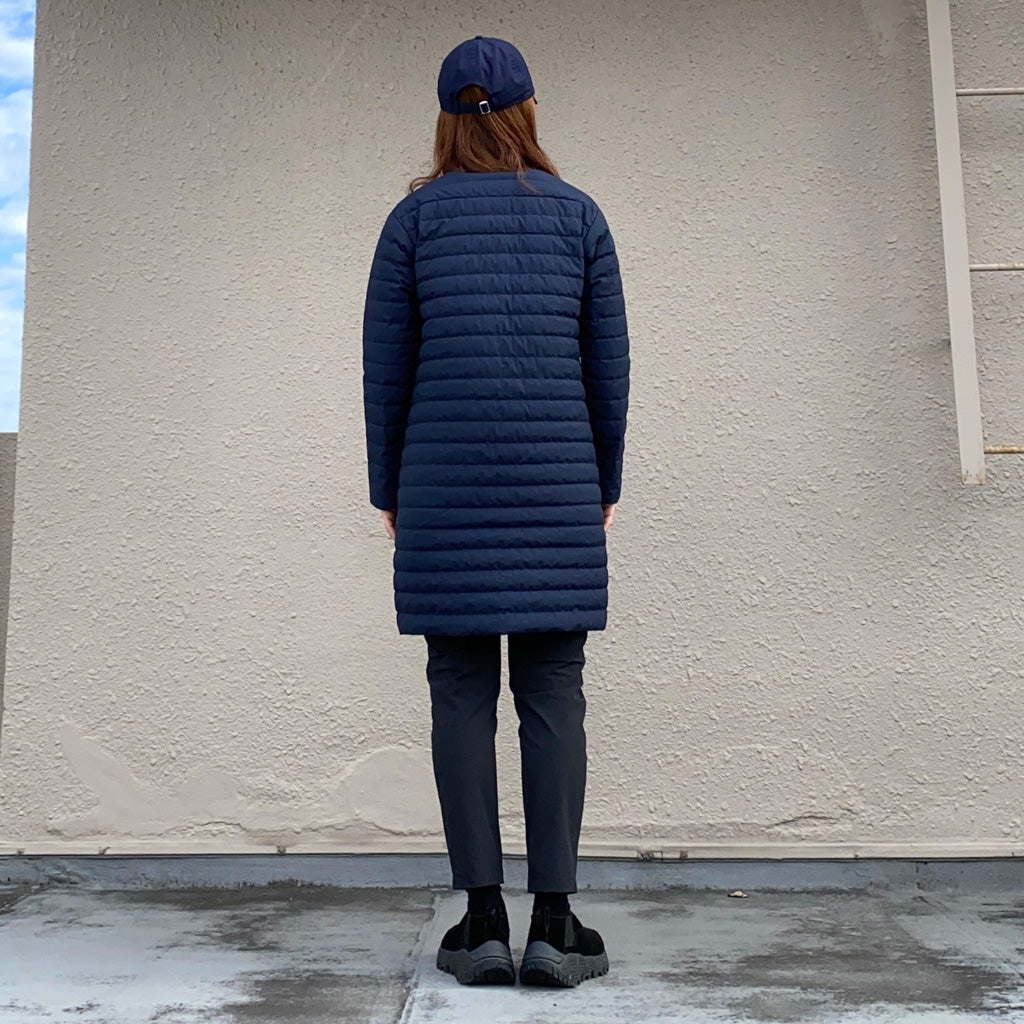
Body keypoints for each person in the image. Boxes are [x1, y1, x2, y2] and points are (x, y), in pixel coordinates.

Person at [361, 35, 630, 989]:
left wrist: (390, 489)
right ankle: (555, 924)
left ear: (447, 120)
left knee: (459, 692)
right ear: (526, 113)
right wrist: (604, 481)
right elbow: (609, 370)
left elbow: (385, 373)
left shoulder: (412, 222)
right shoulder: (578, 216)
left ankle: (480, 922)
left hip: (444, 487)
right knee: (554, 692)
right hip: (557, 483)